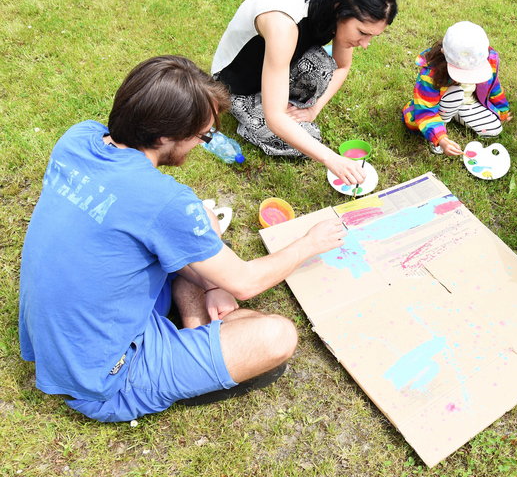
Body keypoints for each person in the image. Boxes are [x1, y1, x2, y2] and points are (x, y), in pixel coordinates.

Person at [18, 56, 347, 422]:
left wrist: (209, 285)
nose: (201, 145)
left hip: (60, 339)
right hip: (104, 377)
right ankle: (189, 348)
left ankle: (194, 322)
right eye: (202, 136)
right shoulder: (163, 202)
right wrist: (309, 243)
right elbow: (246, 282)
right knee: (276, 336)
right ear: (163, 136)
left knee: (203, 220)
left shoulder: (78, 138)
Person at [212, 0, 398, 185]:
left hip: (277, 65)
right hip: (236, 85)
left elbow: (341, 66)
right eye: (362, 33)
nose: (365, 44)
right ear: (341, 9)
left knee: (323, 66)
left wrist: (313, 109)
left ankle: (277, 102)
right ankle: (249, 122)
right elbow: (275, 118)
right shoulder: (284, 24)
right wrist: (332, 159)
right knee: (302, 138)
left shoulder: (332, 4)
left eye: (371, 36)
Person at [403, 21, 511, 156]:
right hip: (442, 104)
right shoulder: (431, 73)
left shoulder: (485, 58)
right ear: (444, 53)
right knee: (455, 93)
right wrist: (441, 139)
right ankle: (442, 123)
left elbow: (493, 85)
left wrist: (502, 109)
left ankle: (457, 115)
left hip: (467, 103)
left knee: (494, 129)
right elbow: (426, 110)